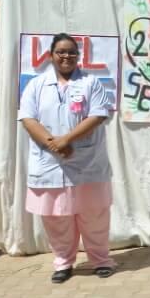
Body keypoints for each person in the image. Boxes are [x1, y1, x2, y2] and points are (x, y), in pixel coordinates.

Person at [18, 33, 116, 283]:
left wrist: (67, 140)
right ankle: (63, 263)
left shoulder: (91, 83)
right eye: (61, 51)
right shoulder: (37, 85)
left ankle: (101, 260)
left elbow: (98, 115)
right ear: (51, 55)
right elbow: (28, 118)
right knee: (56, 218)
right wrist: (54, 145)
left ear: (79, 56)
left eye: (72, 52)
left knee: (93, 215)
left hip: (86, 162)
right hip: (50, 164)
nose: (67, 56)